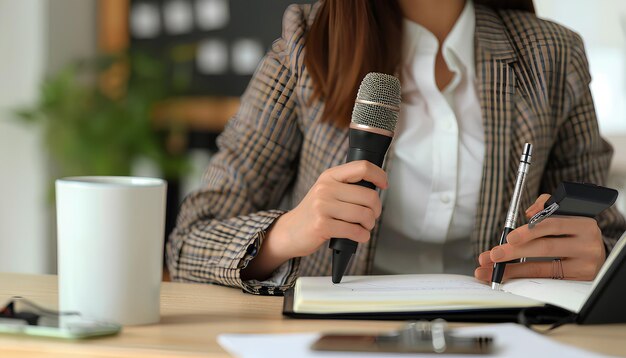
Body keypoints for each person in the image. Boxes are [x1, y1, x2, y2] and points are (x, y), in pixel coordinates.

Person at [166, 0, 626, 295]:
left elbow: (604, 233)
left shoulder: (552, 53)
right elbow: (188, 243)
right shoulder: (306, 42)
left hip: (500, 331)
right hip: (335, 335)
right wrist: (289, 232)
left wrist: (596, 256)